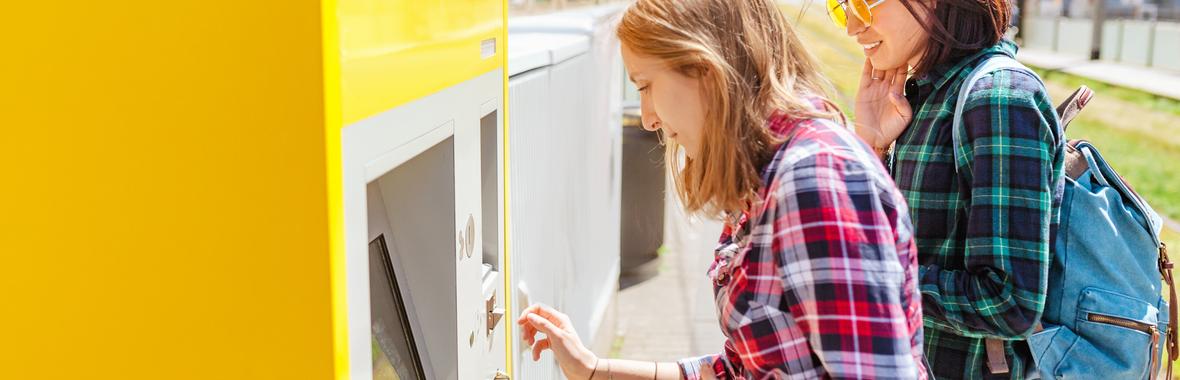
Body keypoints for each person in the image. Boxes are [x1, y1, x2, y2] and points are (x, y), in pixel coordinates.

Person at [516, 0, 927, 378]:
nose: (647, 119)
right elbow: (740, 369)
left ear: (703, 68)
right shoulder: (773, 176)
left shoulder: (813, 181)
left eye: (645, 86)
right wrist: (592, 369)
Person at [838, 0, 1065, 378]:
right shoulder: (925, 98)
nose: (851, 26)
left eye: (863, 4)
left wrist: (877, 277)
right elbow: (874, 242)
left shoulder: (999, 99)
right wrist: (872, 145)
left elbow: (1010, 302)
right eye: (840, 7)